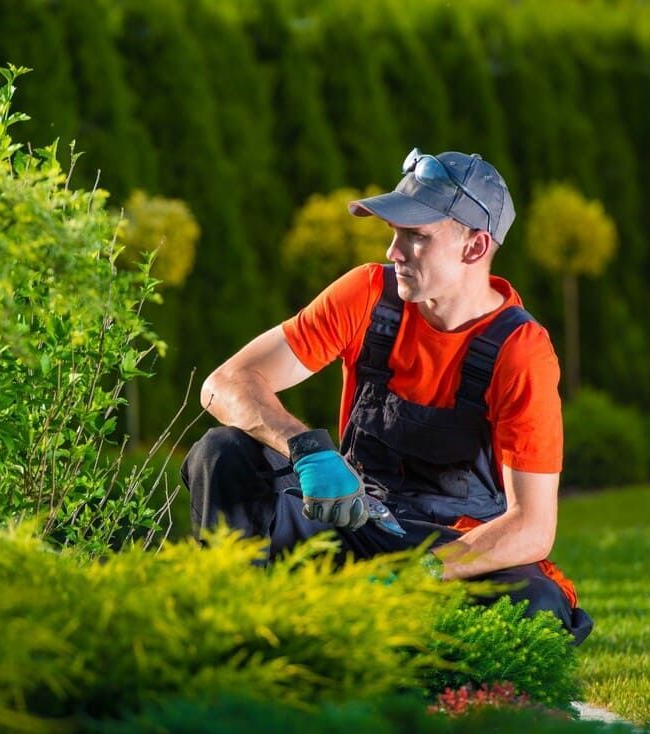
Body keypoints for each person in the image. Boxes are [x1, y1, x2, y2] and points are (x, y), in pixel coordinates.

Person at [181, 149, 593, 645]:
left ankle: (373, 636)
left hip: (448, 550)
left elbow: (532, 527)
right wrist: (305, 448)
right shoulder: (367, 294)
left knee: (536, 606)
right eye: (395, 233)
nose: (395, 251)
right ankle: (235, 640)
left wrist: (412, 576)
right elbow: (223, 384)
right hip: (351, 519)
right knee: (222, 453)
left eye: (417, 237)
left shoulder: (520, 351)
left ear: (475, 246)